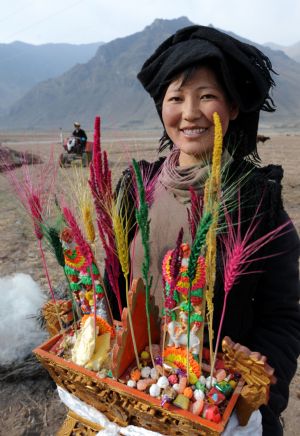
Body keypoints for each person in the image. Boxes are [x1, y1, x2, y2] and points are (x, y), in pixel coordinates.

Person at [108, 25, 300, 435]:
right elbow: (111, 283)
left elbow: (282, 318)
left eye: (207, 96)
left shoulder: (258, 205)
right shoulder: (133, 189)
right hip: (130, 396)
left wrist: (249, 403)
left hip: (211, 412)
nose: (190, 112)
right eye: (176, 98)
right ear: (162, 107)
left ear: (232, 107)